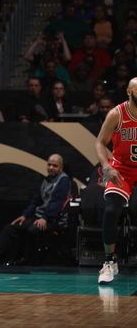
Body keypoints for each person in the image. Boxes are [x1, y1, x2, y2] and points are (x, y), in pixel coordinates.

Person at [94, 77, 137, 284]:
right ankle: (109, 262)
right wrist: (106, 166)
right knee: (111, 211)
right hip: (122, 169)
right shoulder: (116, 114)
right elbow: (100, 142)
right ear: (130, 92)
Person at [0, 154, 70, 265]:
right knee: (11, 228)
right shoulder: (46, 180)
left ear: (61, 167)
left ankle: (26, 260)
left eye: (55, 166)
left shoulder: (63, 181)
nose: (51, 168)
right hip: (38, 217)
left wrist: (45, 218)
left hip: (53, 219)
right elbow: (35, 201)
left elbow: (57, 203)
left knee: (32, 230)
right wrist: (24, 215)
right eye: (49, 165)